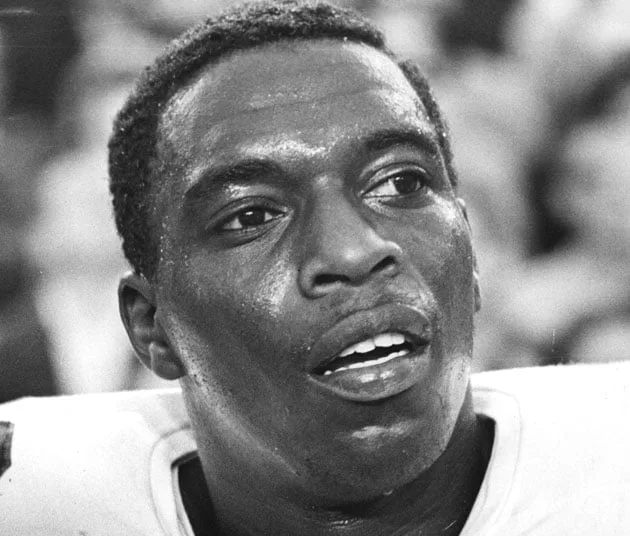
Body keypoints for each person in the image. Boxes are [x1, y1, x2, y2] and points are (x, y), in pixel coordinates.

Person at [1, 1, 629, 534]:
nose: (353, 252)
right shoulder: (29, 495)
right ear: (151, 328)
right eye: (252, 216)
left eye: (401, 182)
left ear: (471, 252)